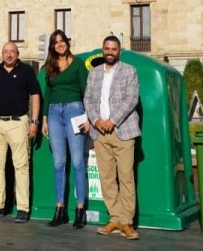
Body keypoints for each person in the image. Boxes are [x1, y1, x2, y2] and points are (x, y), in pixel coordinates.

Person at [83, 35, 141, 240]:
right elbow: (88, 98)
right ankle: (115, 218)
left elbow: (131, 99)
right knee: (107, 178)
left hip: (123, 131)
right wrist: (97, 120)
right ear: (102, 50)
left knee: (126, 177)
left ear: (119, 51)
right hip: (100, 133)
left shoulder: (129, 71)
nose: (110, 52)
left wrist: (112, 120)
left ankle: (127, 222)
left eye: (113, 49)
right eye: (107, 49)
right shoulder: (95, 73)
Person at [0, 42, 40, 223]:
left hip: (17, 123)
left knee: (21, 166)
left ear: (17, 53)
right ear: (2, 54)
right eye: (6, 52)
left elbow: (35, 96)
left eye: (12, 52)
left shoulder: (26, 71)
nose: (9, 55)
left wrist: (34, 122)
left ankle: (22, 208)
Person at [40, 30, 89, 229]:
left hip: (75, 111)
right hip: (53, 114)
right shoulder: (50, 66)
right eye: (56, 42)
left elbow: (86, 91)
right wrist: (44, 119)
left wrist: (89, 118)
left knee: (77, 161)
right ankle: (60, 209)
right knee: (59, 162)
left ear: (67, 42)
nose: (60, 44)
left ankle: (80, 209)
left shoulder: (78, 64)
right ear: (52, 46)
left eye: (62, 41)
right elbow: (48, 93)